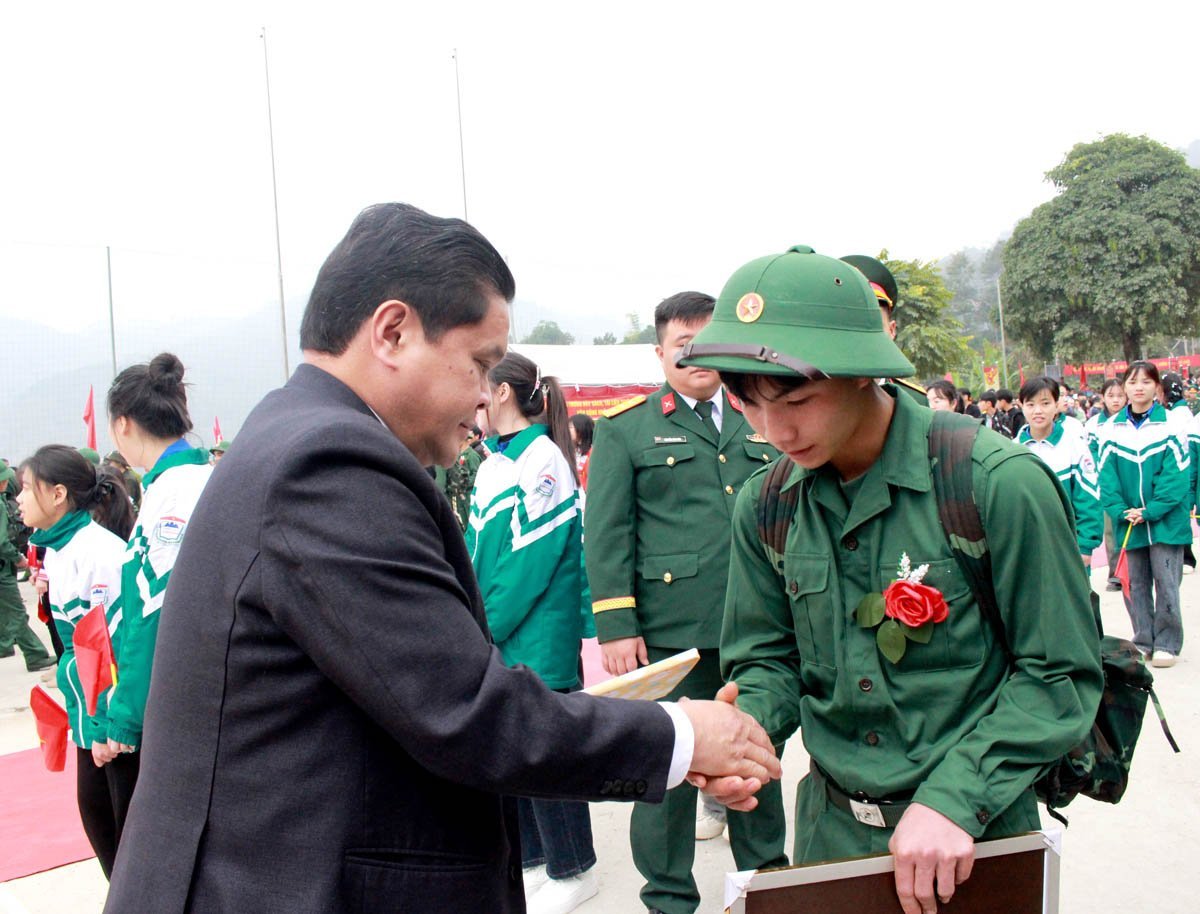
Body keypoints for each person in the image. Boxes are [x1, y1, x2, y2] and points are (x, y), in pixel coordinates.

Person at [103, 203, 780, 914]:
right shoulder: (327, 465)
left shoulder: (297, 436)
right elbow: (465, 713)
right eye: (481, 364)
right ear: (393, 331)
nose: (486, 397)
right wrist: (683, 733)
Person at [676, 244, 1102, 914]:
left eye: (798, 399)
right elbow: (768, 658)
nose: (775, 429)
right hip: (831, 840)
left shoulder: (993, 484)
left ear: (860, 373)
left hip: (972, 839)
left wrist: (954, 799)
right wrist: (745, 734)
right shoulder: (765, 504)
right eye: (751, 404)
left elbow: (1059, 673)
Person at [585, 290, 788, 914]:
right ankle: (669, 898)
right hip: (671, 632)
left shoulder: (762, 417)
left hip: (754, 625)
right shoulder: (626, 427)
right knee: (665, 769)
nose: (697, 356)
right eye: (684, 345)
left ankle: (764, 883)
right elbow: (608, 531)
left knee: (756, 753)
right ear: (661, 352)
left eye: (708, 342)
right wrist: (618, 625)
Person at [468, 351, 597, 914]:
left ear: (501, 393)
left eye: (480, 383)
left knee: (546, 747)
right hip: (500, 627)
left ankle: (575, 866)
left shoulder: (543, 456)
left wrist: (484, 626)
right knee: (513, 742)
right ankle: (538, 859)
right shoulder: (495, 459)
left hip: (534, 629)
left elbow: (530, 561)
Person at [17, 446, 135, 877]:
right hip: (89, 720)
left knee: (123, 842)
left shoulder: (97, 552)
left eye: (27, 488)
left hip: (111, 729)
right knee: (101, 828)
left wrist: (108, 725)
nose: (19, 499)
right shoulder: (61, 551)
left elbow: (114, 648)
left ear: (58, 494)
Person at [103, 354, 214, 761]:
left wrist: (127, 712)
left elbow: (157, 607)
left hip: (185, 701)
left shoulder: (176, 494)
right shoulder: (183, 481)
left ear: (123, 424)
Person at [1098, 360, 1191, 668]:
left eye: (1146, 382)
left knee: (1166, 581)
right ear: (1124, 387)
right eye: (1133, 382)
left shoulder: (1172, 425)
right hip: (1129, 521)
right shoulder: (1111, 429)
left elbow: (1176, 475)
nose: (1139, 387)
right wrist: (1122, 511)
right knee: (1135, 584)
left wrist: (1150, 511)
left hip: (1165, 521)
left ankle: (1167, 642)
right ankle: (1143, 639)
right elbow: (1106, 477)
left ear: (1157, 388)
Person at [1016, 377, 1103, 561]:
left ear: (1056, 405)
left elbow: (1088, 497)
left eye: (1045, 403)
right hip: (1029, 550)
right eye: (1030, 404)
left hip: (1069, 547)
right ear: (1021, 405)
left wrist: (1086, 545)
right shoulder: (1013, 450)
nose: (1038, 411)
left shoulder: (1074, 447)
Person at [0, 464, 55, 671]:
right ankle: (35, 654)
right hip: (3, 568)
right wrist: (19, 559)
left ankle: (4, 644)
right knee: (16, 612)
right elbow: (2, 541)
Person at [1086, 379, 1129, 591]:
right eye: (1111, 396)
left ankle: (1132, 570)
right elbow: (1092, 454)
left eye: (1120, 395)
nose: (1116, 400)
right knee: (1111, 530)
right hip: (1106, 485)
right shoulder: (1094, 424)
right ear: (1103, 397)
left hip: (1129, 482)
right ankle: (1115, 573)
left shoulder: (1130, 420)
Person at [568, 412, 594, 490]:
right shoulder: (570, 452)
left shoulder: (593, 453)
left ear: (580, 429)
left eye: (570, 427)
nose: (567, 430)